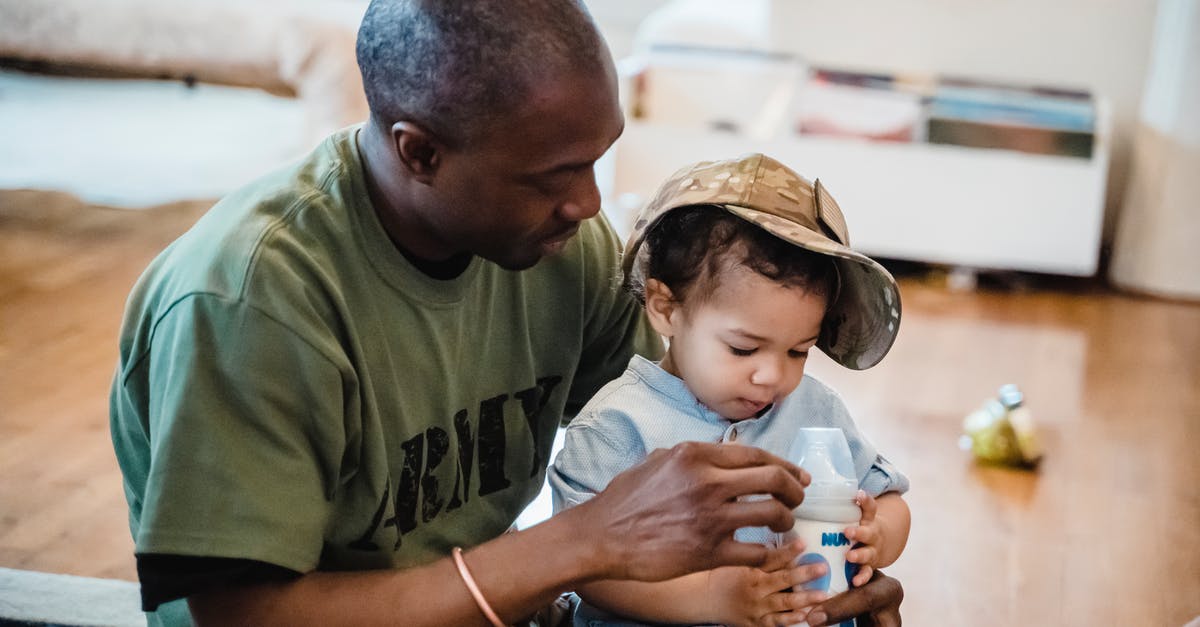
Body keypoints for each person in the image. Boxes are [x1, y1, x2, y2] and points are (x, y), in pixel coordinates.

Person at [108, 1, 904, 625]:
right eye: (552, 174)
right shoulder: (252, 300)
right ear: (420, 151)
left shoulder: (564, 248)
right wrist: (582, 543)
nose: (589, 203)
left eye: (597, 160)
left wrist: (824, 567)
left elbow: (684, 424)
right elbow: (240, 614)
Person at [549, 153, 912, 627]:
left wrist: (876, 533)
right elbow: (585, 568)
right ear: (666, 308)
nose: (772, 377)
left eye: (798, 352)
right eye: (743, 349)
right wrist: (709, 599)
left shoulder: (816, 410)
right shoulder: (617, 426)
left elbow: (888, 499)